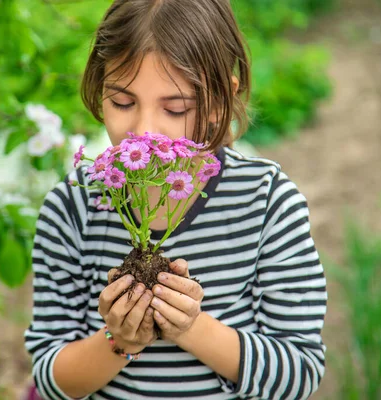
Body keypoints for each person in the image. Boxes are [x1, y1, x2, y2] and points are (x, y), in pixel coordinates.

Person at [24, 0, 327, 399]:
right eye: (122, 102)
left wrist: (192, 327)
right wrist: (120, 341)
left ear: (221, 101)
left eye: (176, 107)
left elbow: (300, 373)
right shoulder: (72, 209)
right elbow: (50, 379)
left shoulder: (266, 201)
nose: (144, 131)